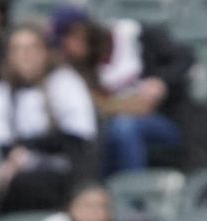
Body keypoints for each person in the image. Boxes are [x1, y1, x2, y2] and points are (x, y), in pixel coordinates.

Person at [50, 4, 194, 174]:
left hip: (166, 122)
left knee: (123, 127)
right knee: (105, 134)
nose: (68, 48)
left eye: (70, 38)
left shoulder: (136, 35)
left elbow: (186, 57)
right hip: (115, 129)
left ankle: (132, 193)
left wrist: (161, 81)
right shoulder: (78, 71)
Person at [0, 23, 98, 212]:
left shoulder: (66, 82)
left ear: (46, 52)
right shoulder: (0, 93)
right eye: (17, 49)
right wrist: (15, 158)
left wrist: (29, 149)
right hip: (15, 172)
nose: (25, 55)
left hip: (62, 170)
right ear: (9, 57)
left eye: (32, 48)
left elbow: (78, 137)